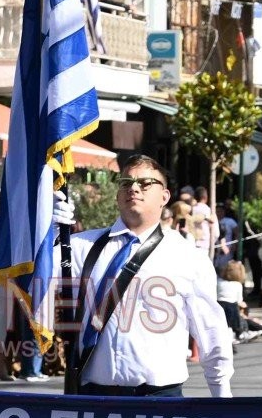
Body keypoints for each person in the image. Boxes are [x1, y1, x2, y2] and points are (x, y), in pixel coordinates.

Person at [65, 155, 232, 398]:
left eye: (145, 183)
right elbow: (30, 280)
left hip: (159, 400)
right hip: (95, 398)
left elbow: (211, 330)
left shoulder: (187, 256)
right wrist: (46, 230)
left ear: (164, 197)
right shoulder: (81, 246)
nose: (133, 188)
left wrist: (223, 397)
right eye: (125, 182)